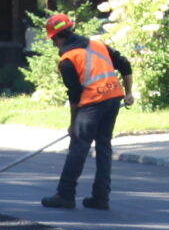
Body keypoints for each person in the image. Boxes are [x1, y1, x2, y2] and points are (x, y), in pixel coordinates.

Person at [39, 13, 129, 212]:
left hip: (92, 104)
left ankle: (65, 195)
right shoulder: (97, 45)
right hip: (113, 98)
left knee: (78, 148)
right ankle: (101, 197)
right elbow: (124, 64)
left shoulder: (67, 60)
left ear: (55, 37)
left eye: (53, 39)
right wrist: (128, 93)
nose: (54, 44)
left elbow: (75, 96)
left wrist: (73, 124)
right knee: (104, 146)